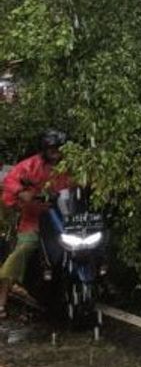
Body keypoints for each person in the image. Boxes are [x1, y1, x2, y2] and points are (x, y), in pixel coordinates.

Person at [0, 130, 72, 318]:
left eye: (59, 148)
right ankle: (2, 298)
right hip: (34, 220)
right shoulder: (30, 165)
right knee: (24, 249)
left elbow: (84, 183)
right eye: (52, 148)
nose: (56, 152)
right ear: (44, 149)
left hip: (62, 220)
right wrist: (22, 191)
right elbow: (10, 181)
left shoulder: (70, 166)